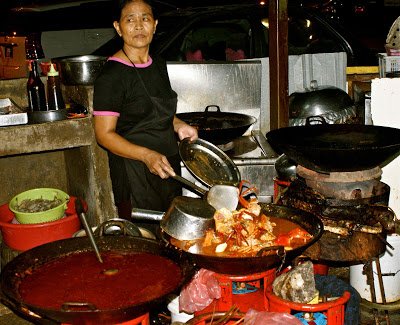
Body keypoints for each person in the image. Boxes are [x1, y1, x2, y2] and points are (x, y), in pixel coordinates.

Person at [92, 0, 198, 227]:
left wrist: (178, 125)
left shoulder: (158, 64)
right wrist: (145, 155)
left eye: (145, 18)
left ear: (155, 25)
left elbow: (158, 112)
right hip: (135, 172)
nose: (139, 25)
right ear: (118, 28)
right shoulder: (111, 76)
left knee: (172, 230)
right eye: (130, 20)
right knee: (146, 239)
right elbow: (104, 134)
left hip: (167, 164)